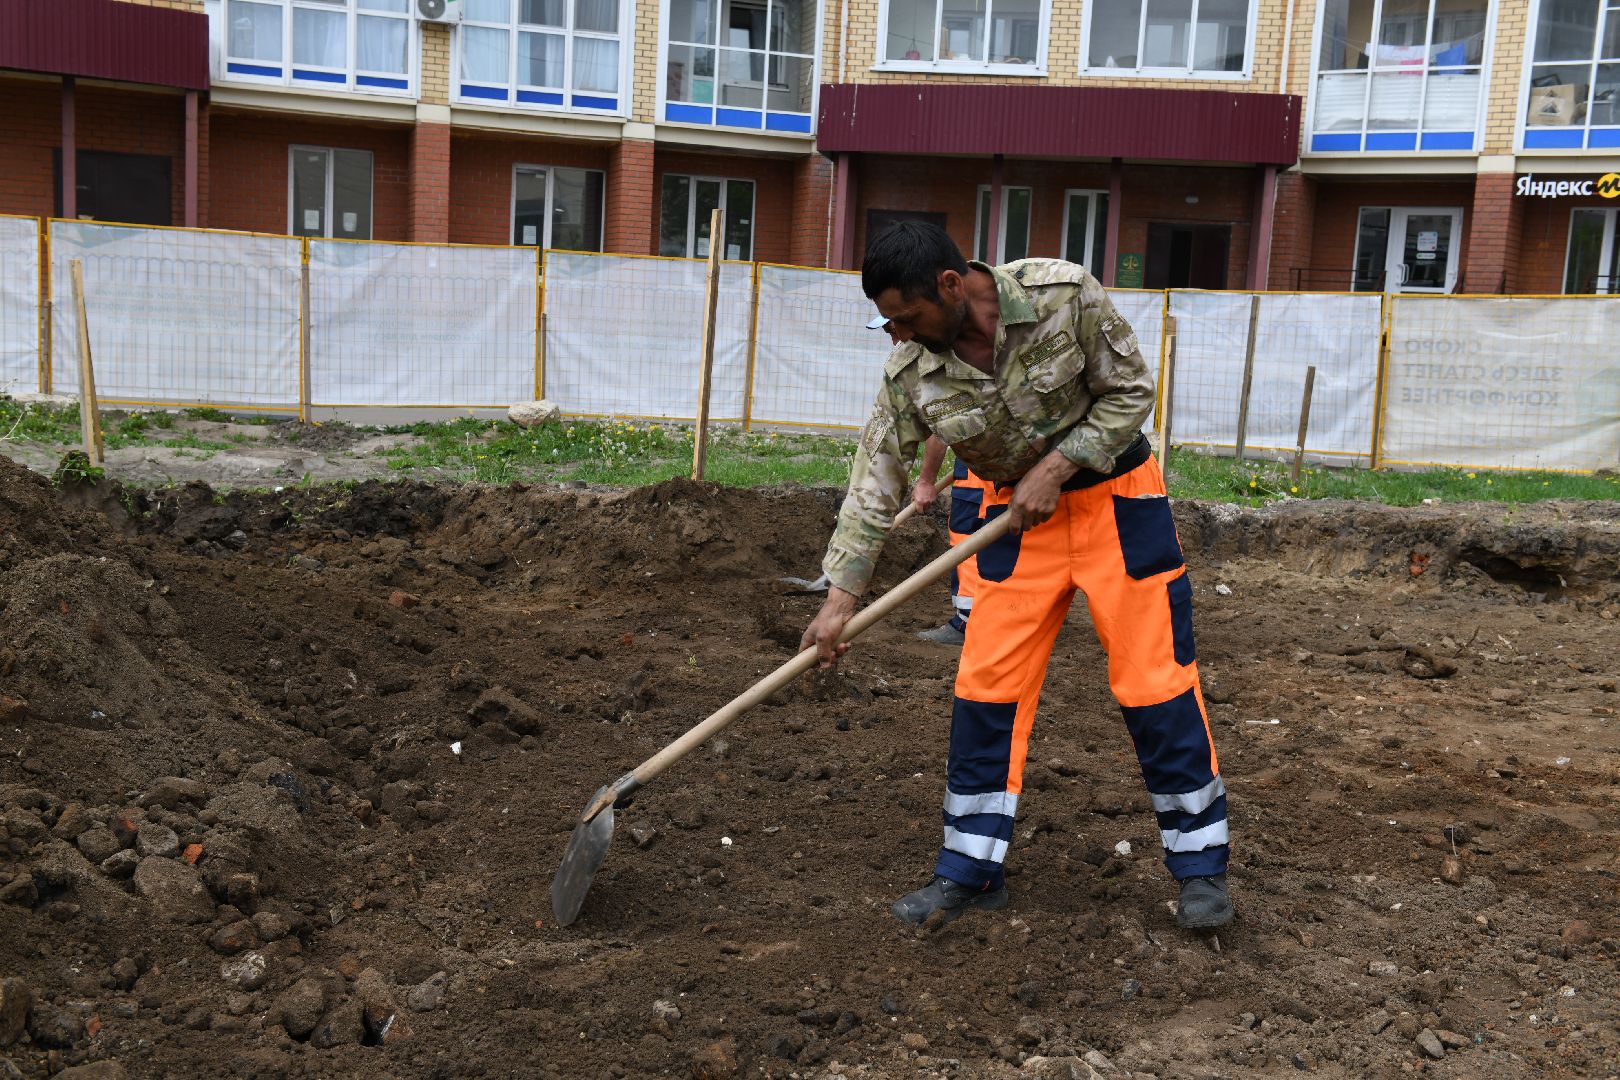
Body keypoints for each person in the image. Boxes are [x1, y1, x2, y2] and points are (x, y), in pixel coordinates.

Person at [804, 222, 1231, 931]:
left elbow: (1129, 392)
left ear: (951, 285)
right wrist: (840, 599)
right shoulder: (910, 373)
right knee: (986, 690)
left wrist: (1060, 466)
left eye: (907, 320)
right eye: (889, 324)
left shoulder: (1062, 295)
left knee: (1155, 683)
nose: (899, 337)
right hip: (1016, 524)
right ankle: (969, 872)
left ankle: (1202, 872)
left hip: (1117, 503)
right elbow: (874, 485)